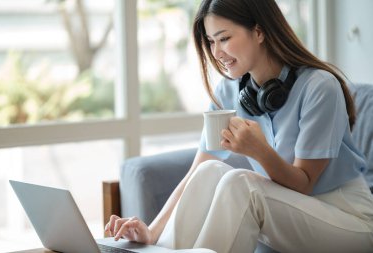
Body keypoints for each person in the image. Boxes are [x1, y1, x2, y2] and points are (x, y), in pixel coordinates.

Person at [105, 0, 373, 252]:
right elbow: (198, 170)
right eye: (211, 42)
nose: (216, 52)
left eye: (224, 38)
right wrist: (152, 233)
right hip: (287, 213)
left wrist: (259, 151)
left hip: (347, 217)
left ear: (259, 32)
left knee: (241, 183)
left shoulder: (319, 87)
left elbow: (304, 184)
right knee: (211, 170)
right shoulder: (229, 92)